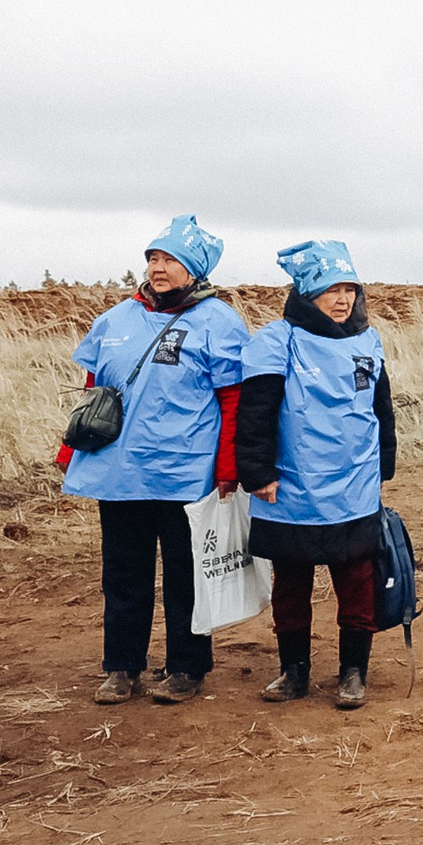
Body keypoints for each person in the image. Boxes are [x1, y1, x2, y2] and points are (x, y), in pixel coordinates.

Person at [60, 216, 251, 706]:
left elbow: (233, 400)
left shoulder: (220, 322)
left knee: (186, 574)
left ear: (194, 270)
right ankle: (122, 667)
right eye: (153, 258)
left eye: (170, 260)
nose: (158, 268)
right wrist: (71, 450)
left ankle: (187, 667)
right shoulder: (116, 319)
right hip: (119, 471)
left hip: (187, 472)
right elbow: (94, 390)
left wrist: (228, 467)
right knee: (123, 573)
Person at [236, 241, 398, 711]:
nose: (343, 299)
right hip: (292, 485)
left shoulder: (367, 340)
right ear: (309, 292)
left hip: (354, 484)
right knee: (290, 581)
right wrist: (258, 472)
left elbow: (381, 409)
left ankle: (353, 672)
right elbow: (256, 413)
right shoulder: (276, 341)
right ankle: (293, 671)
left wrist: (385, 462)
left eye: (350, 288)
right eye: (332, 289)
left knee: (357, 579)